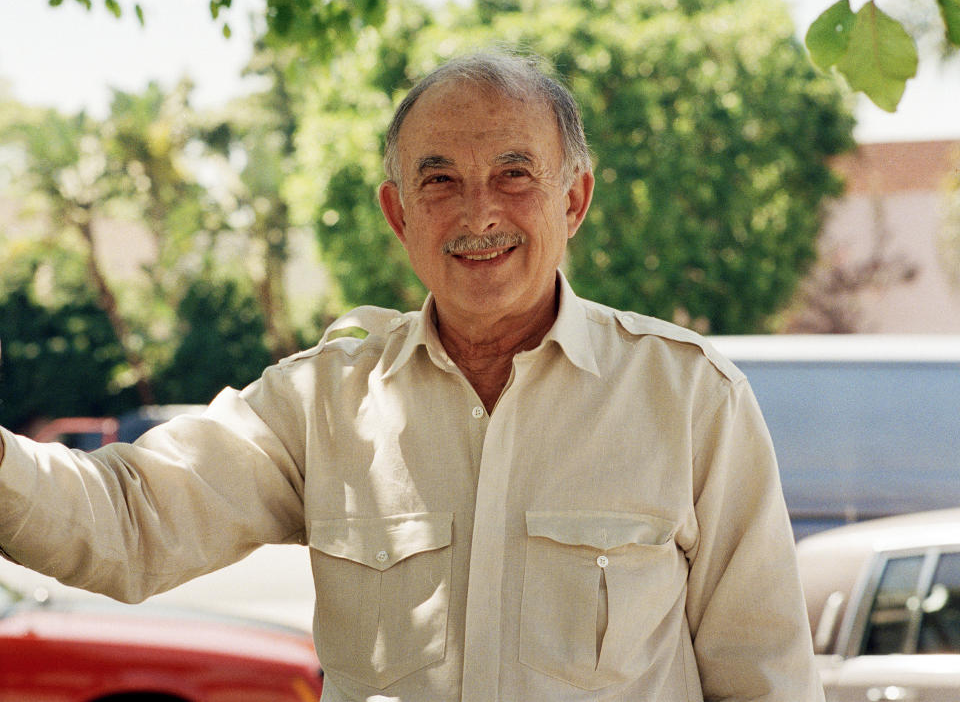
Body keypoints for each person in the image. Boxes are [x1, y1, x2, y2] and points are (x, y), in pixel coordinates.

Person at [0, 51, 823, 701]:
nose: (477, 213)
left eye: (514, 173)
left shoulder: (689, 399)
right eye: (439, 181)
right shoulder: (324, 401)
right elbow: (131, 521)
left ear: (573, 200)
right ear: (398, 213)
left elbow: (768, 680)